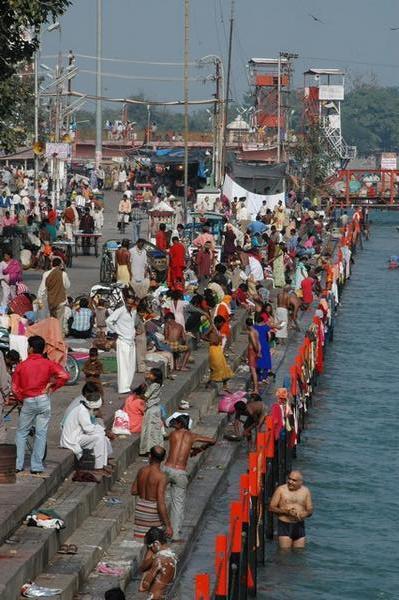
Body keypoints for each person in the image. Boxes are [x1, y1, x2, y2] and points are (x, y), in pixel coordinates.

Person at [13, 335, 69, 474]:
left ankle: (18, 465)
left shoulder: (22, 365)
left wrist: (21, 398)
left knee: (21, 433)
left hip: (28, 400)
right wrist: (52, 386)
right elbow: (64, 375)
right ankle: (36, 466)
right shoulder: (48, 363)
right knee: (41, 433)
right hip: (43, 399)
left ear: (31, 348)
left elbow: (14, 387)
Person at [164, 414, 216, 541]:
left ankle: (162, 530)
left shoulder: (172, 434)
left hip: (166, 469)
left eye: (176, 423)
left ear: (180, 424)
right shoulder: (192, 436)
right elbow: (212, 441)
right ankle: (175, 535)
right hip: (180, 472)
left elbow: (178, 446)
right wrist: (200, 449)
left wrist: (194, 449)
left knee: (163, 501)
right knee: (178, 505)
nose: (174, 425)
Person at [60, 382, 112, 476]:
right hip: (72, 439)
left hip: (78, 436)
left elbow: (91, 427)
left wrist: (102, 431)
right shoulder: (82, 411)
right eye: (96, 409)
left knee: (101, 437)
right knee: (99, 437)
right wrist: (103, 431)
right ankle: (98, 467)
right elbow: (89, 429)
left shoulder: (85, 409)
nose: (97, 412)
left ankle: (103, 465)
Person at [131, 445, 172, 541]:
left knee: (142, 541)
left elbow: (134, 491)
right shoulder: (162, 477)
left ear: (150, 456)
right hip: (152, 511)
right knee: (155, 542)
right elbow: (160, 502)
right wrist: (168, 525)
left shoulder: (142, 470)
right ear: (163, 459)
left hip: (140, 507)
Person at [269, 470, 313, 549]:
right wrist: (286, 512)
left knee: (299, 554)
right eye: (289, 479)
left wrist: (305, 514)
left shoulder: (305, 491)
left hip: (299, 526)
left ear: (300, 482)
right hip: (285, 525)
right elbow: (271, 508)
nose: (290, 482)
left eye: (294, 480)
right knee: (285, 554)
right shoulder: (281, 490)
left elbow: (310, 510)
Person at [106, 290, 136, 394]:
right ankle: (123, 388)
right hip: (123, 340)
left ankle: (128, 385)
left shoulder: (133, 312)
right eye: (128, 302)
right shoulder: (120, 310)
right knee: (123, 365)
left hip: (131, 341)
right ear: (125, 301)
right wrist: (117, 331)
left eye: (132, 302)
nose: (130, 304)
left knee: (131, 365)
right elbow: (109, 321)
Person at [138, 527, 177, 599]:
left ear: (156, 543)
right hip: (164, 595)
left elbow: (144, 585)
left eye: (150, 547)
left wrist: (145, 576)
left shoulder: (158, 560)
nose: (150, 550)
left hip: (154, 596)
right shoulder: (173, 557)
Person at [38, 257, 71, 330]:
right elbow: (67, 286)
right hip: (61, 301)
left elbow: (42, 289)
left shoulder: (46, 274)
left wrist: (40, 300)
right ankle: (58, 339)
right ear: (60, 265)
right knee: (59, 322)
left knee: (52, 321)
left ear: (51, 264)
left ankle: (52, 337)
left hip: (51, 301)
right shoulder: (63, 274)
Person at [139, 368, 164, 455]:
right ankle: (155, 448)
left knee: (150, 430)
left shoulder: (154, 385)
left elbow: (146, 396)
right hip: (155, 408)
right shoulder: (157, 384)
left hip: (151, 409)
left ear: (155, 377)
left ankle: (149, 449)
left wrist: (138, 396)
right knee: (154, 429)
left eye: (151, 374)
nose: (149, 375)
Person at [253, 312, 272, 383]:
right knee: (266, 360)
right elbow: (269, 336)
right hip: (265, 344)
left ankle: (259, 378)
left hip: (257, 345)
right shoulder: (266, 327)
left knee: (258, 361)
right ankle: (265, 377)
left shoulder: (254, 327)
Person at [246, 318, 261, 394]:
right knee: (254, 370)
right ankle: (254, 387)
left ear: (247, 325)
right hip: (254, 352)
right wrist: (259, 351)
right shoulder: (256, 331)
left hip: (252, 352)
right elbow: (259, 342)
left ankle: (256, 389)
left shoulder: (251, 333)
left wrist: (257, 351)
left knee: (253, 370)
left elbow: (255, 344)